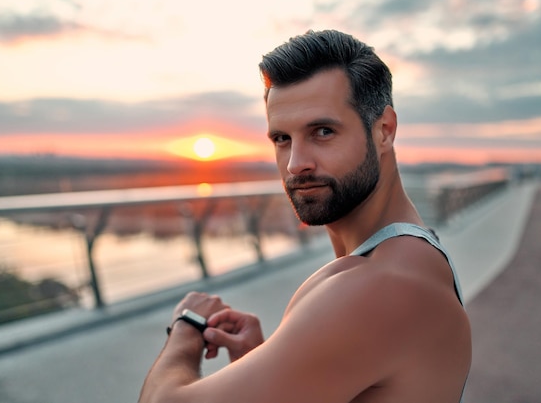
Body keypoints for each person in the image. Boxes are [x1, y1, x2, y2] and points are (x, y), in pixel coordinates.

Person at [138, 29, 471, 403]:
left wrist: (186, 326)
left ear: (384, 130)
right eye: (282, 139)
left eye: (323, 131)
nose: (296, 164)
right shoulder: (407, 257)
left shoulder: (382, 285)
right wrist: (267, 360)